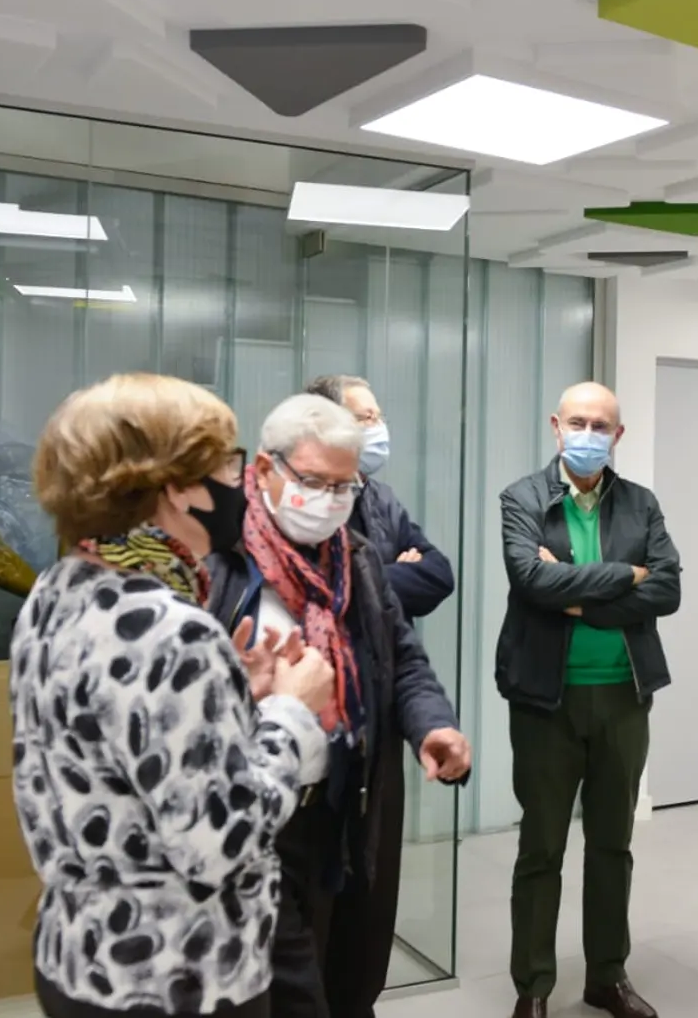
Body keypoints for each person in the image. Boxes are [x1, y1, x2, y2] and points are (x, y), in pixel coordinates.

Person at [12, 373, 334, 1018]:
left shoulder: (57, 590)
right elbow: (218, 842)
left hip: (81, 957)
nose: (239, 484)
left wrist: (230, 699)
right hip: (178, 977)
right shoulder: (174, 630)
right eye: (228, 464)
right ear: (177, 489)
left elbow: (116, 750)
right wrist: (290, 712)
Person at [203, 393, 470, 1018]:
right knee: (277, 990)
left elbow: (401, 657)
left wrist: (433, 726)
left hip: (347, 804)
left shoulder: (357, 559)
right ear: (266, 471)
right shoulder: (216, 564)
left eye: (344, 487)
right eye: (314, 482)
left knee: (352, 972)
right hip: (252, 818)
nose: (328, 500)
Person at [497, 381, 681, 1018]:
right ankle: (534, 987)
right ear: (555, 426)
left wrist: (578, 598)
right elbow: (530, 578)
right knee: (541, 847)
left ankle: (607, 975)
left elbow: (667, 590)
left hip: (624, 698)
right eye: (577, 421)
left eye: (600, 424)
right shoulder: (522, 498)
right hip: (545, 701)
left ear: (617, 435)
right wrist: (623, 578)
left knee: (612, 844)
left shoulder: (640, 504)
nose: (588, 433)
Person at [304, 375, 455, 622]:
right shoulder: (305, 503)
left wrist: (367, 582)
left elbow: (440, 575)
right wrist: (400, 574)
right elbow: (325, 591)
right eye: (367, 418)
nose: (379, 427)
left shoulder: (383, 499)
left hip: (389, 652)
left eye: (379, 417)